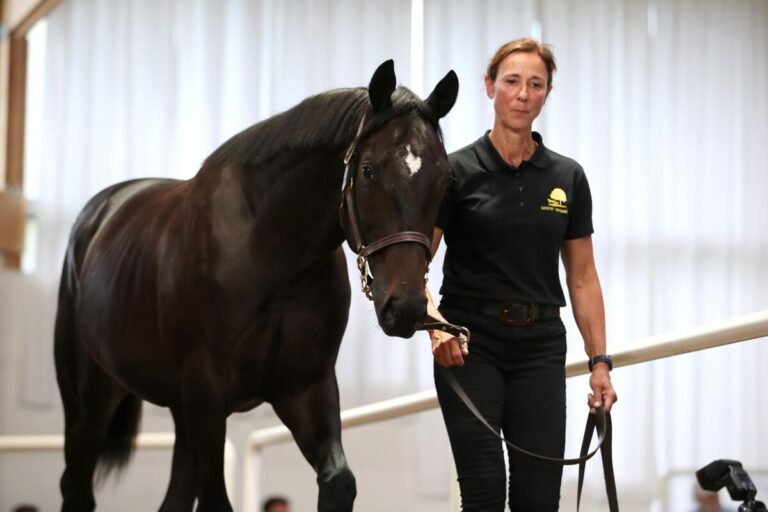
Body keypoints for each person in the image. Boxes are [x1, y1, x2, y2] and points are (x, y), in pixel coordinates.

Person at [426, 37, 618, 511]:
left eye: (536, 84)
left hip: (541, 348)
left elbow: (583, 278)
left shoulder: (567, 177)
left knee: (538, 500)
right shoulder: (454, 171)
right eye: (512, 81)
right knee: (485, 492)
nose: (523, 94)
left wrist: (599, 362)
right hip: (470, 345)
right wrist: (434, 325)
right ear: (489, 86)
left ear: (547, 94)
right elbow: (414, 265)